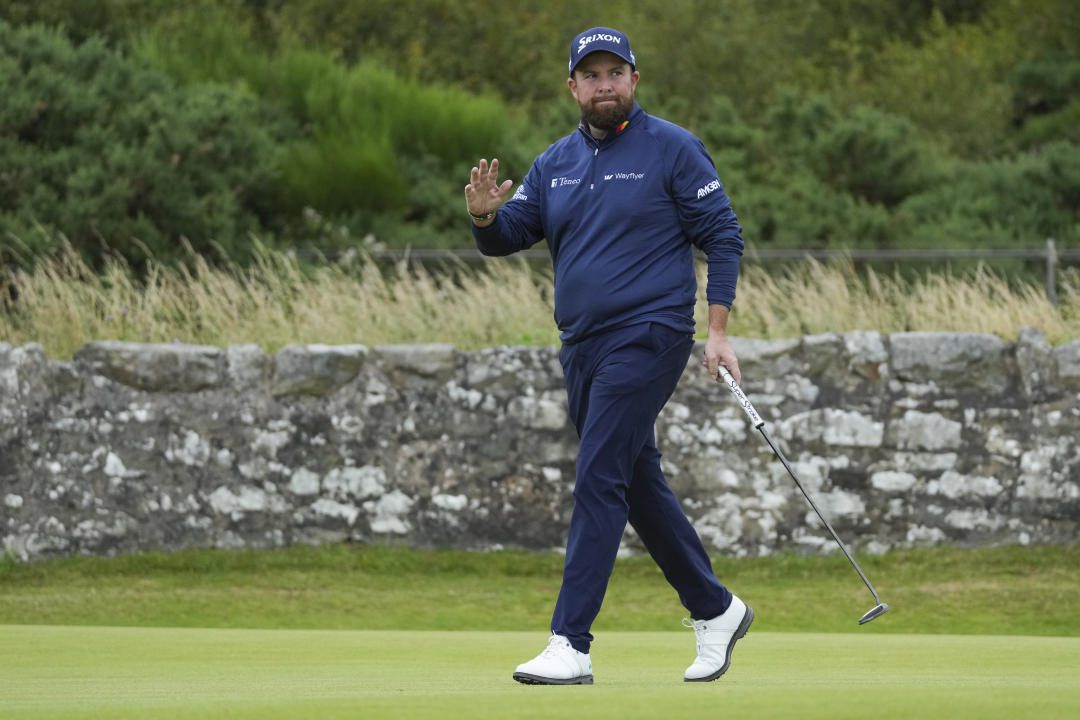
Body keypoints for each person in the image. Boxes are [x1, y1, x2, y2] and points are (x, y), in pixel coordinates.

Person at [464, 26, 751, 685]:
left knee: (597, 475)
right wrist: (484, 219)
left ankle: (571, 642)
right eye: (590, 75)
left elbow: (724, 237)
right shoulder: (554, 162)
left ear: (634, 81)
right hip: (582, 349)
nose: (603, 84)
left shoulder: (673, 149)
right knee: (635, 482)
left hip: (649, 336)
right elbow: (512, 233)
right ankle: (717, 609)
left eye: (614, 73)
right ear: (573, 86)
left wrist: (717, 330)